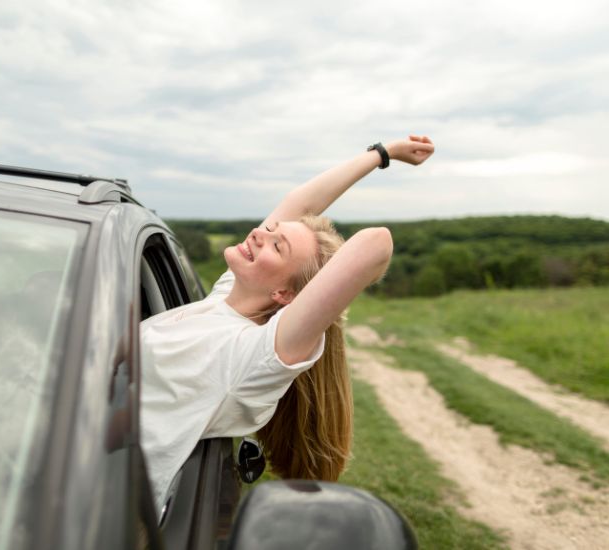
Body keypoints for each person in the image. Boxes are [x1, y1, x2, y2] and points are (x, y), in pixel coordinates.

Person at [140, 135, 435, 507]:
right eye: (270, 231)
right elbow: (301, 202)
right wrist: (383, 154)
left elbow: (376, 243)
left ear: (287, 296)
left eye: (277, 246)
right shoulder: (222, 301)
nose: (259, 234)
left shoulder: (253, 355)